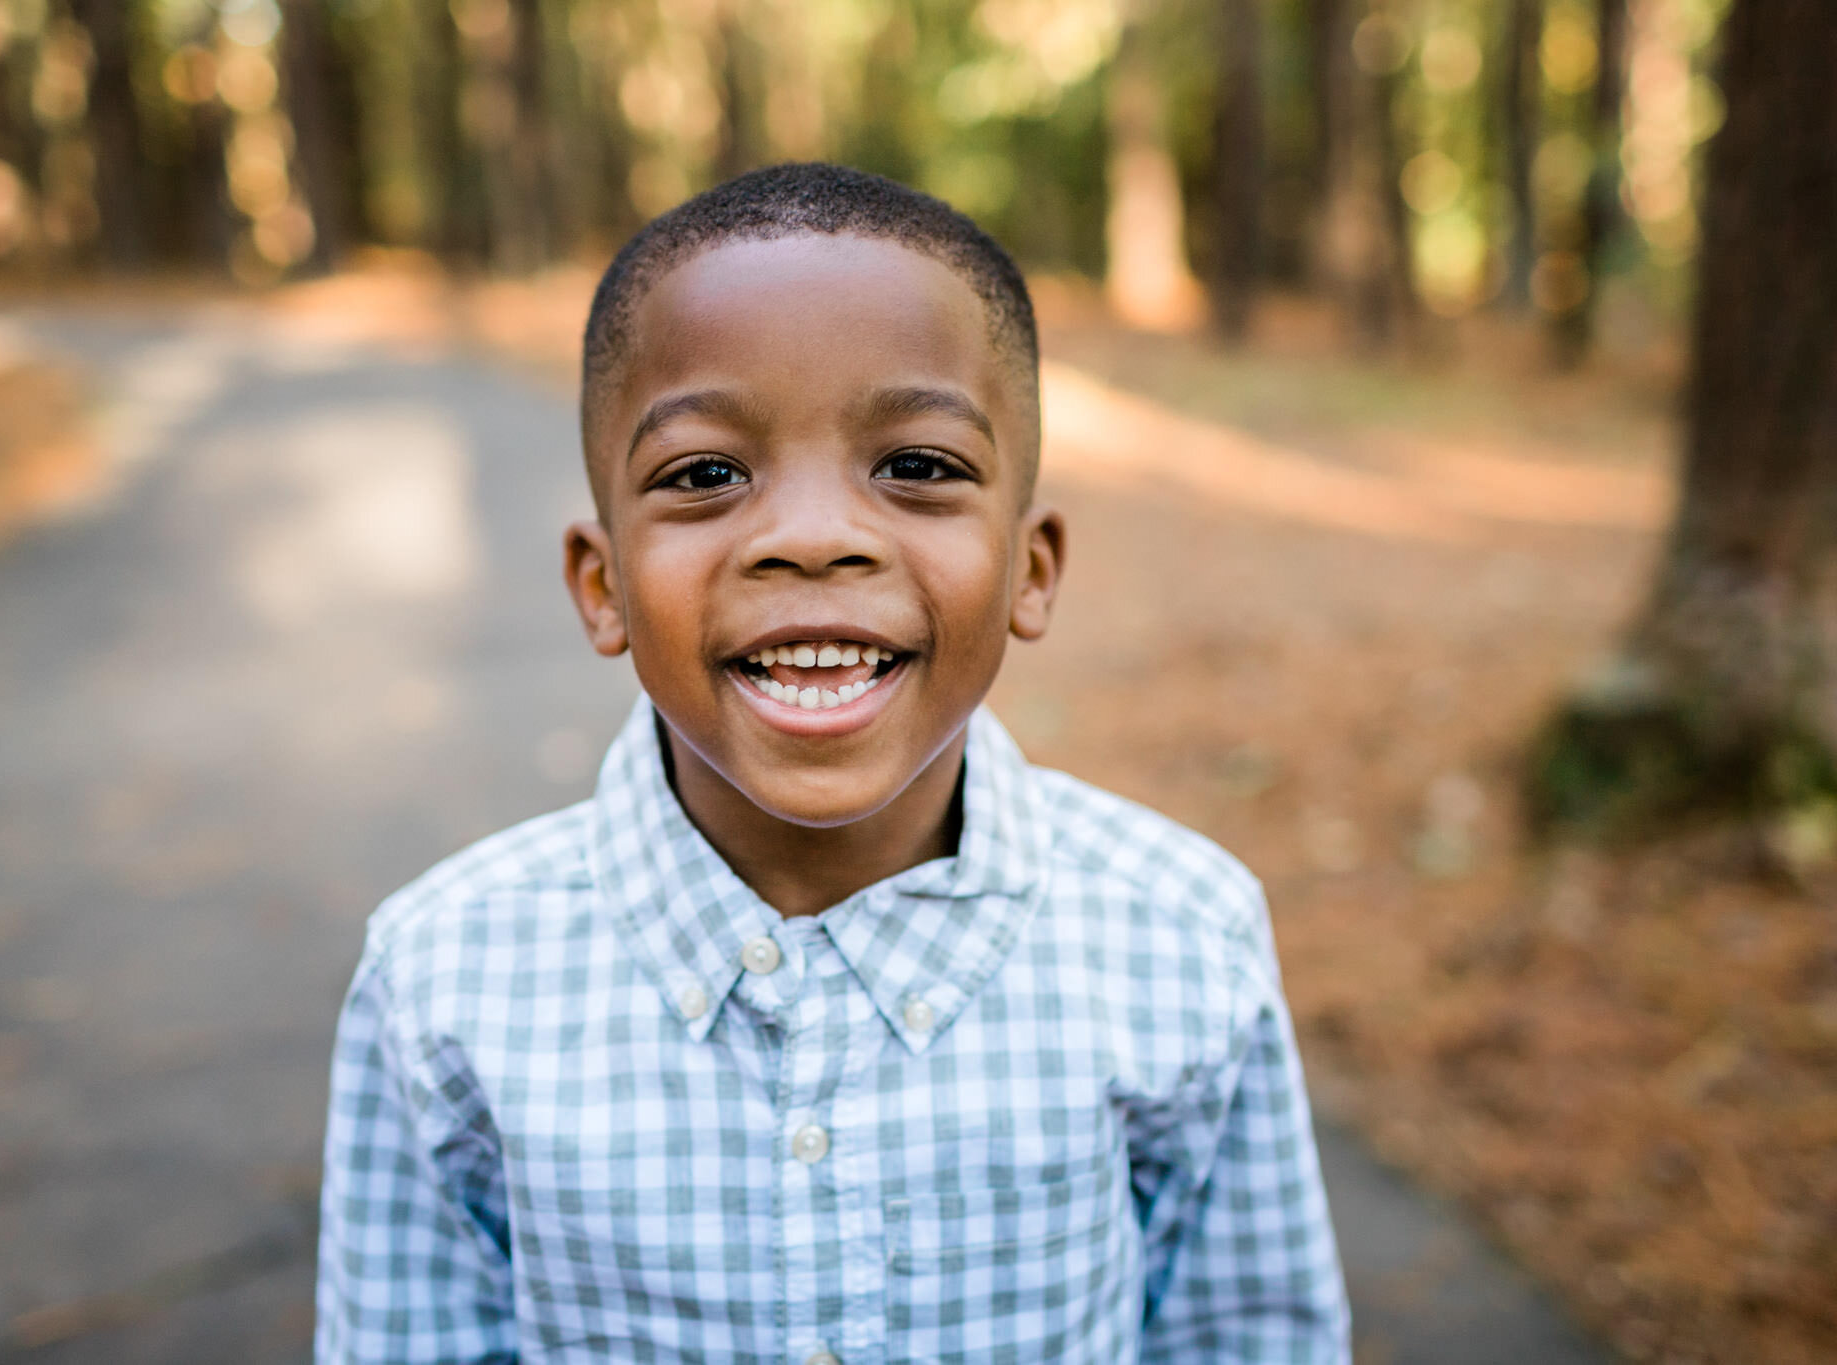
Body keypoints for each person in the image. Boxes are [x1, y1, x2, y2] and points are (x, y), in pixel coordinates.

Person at [316, 162, 1350, 1364]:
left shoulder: (1179, 938)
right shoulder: (447, 983)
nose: (811, 537)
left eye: (915, 466)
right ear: (601, 588)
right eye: (706, 474)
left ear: (1031, 570)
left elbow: (1246, 1336)